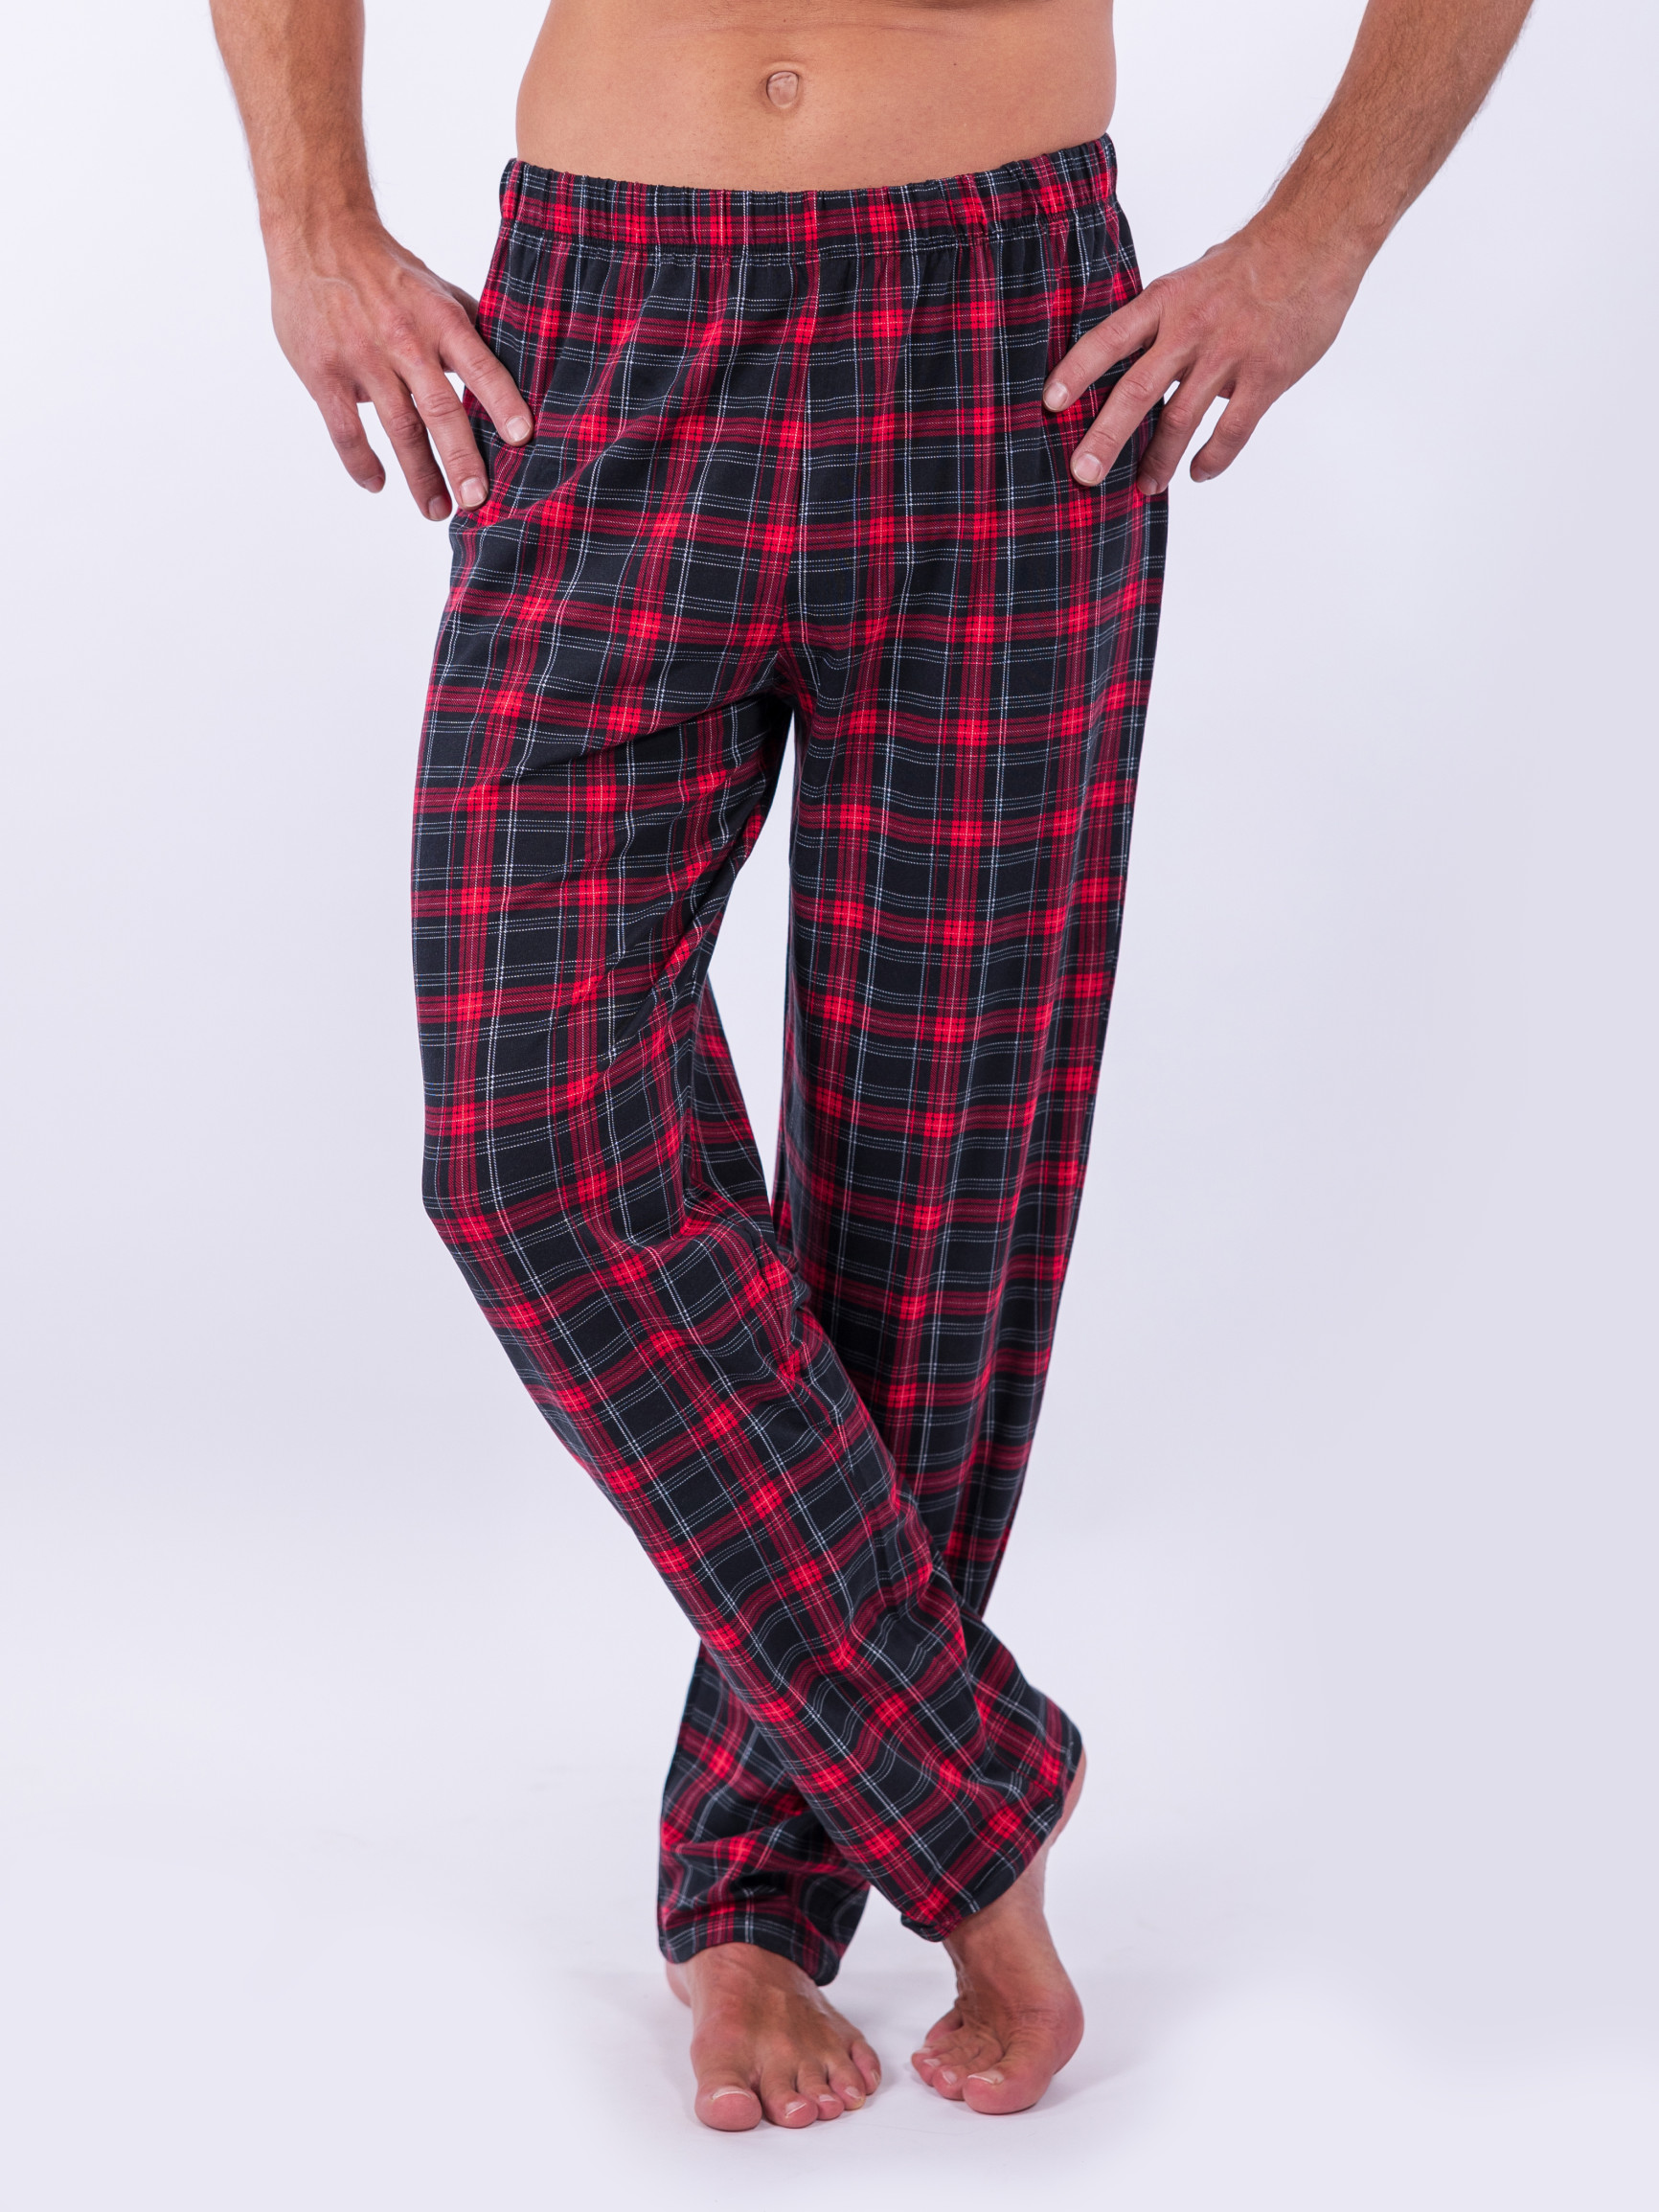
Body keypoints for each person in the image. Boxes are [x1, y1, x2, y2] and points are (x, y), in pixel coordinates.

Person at [210, 0, 1533, 2131]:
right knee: (529, 1151)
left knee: (935, 1185)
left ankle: (759, 1890)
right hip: (611, 310)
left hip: (1008, 338)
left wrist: (1313, 249)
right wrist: (310, 223)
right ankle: (972, 1793)